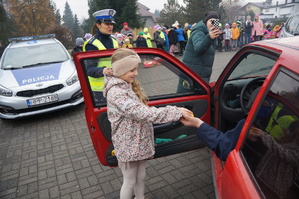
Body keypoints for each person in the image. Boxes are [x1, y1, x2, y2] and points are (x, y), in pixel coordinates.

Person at [103, 48, 191, 199]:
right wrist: (175, 112)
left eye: (136, 69)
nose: (136, 73)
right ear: (120, 70)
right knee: (129, 181)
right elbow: (142, 113)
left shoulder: (124, 84)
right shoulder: (116, 93)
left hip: (137, 142)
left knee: (141, 175)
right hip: (128, 144)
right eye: (132, 70)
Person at [83, 9, 119, 104]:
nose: (110, 27)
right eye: (106, 24)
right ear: (98, 25)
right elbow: (88, 69)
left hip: (114, 85)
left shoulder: (114, 41)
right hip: (99, 90)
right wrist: (102, 70)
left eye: (111, 24)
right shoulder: (92, 44)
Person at [182, 11, 221, 83]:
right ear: (206, 21)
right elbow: (199, 49)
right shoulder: (198, 32)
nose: (213, 23)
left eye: (216, 21)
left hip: (200, 73)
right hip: (193, 74)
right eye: (211, 21)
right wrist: (209, 37)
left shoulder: (208, 33)